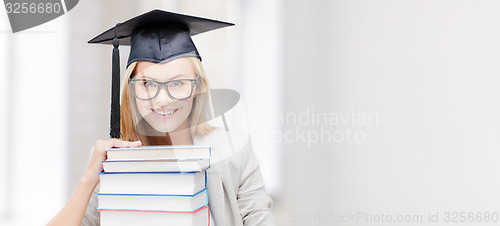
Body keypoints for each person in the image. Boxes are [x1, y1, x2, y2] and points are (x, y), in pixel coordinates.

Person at [47, 10, 274, 226]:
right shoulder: (114, 160)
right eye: (147, 84)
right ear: (130, 90)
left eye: (177, 83)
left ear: (198, 87)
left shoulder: (234, 152)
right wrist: (89, 179)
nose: (163, 99)